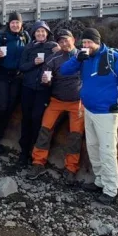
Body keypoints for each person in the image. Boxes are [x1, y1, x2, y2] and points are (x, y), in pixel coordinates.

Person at [58, 28, 118, 205]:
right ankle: (100, 181)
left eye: (89, 43)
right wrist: (77, 58)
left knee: (107, 150)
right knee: (93, 147)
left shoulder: (112, 57)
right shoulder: (84, 58)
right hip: (89, 110)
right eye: (83, 43)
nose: (85, 46)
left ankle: (110, 190)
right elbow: (64, 70)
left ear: (97, 42)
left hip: (107, 112)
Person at [31, 29, 82, 183]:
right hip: (57, 101)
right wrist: (46, 80)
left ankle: (71, 168)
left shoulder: (83, 56)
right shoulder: (54, 58)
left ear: (73, 39)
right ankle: (38, 162)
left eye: (66, 40)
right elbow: (45, 79)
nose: (64, 43)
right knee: (45, 129)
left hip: (78, 102)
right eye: (61, 41)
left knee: (76, 135)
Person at [18, 20, 56, 166]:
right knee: (26, 118)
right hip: (27, 87)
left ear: (47, 33)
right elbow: (22, 66)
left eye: (43, 31)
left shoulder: (52, 47)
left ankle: (36, 152)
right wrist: (34, 62)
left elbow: (60, 62)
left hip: (43, 89)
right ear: (33, 33)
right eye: (38, 31)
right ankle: (24, 152)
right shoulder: (28, 47)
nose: (40, 34)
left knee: (37, 119)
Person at [0, 12, 29, 149]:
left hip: (17, 76)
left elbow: (31, 51)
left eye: (17, 22)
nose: (15, 25)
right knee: (1, 105)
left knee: (10, 107)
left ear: (21, 24)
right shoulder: (3, 37)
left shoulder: (25, 37)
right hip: (2, 75)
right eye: (13, 22)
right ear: (9, 23)